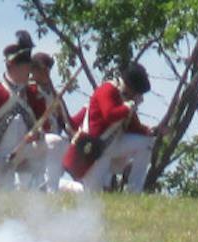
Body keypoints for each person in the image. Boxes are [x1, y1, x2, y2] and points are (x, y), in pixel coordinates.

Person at [0, 32, 60, 190]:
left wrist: (38, 133)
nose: (29, 71)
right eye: (25, 66)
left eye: (29, 66)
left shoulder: (34, 93)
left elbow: (45, 125)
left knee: (55, 142)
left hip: (25, 150)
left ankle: (49, 189)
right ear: (12, 66)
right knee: (2, 192)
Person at [61, 62, 158, 193]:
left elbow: (132, 126)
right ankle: (58, 186)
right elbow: (110, 115)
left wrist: (149, 131)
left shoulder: (126, 99)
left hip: (111, 146)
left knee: (146, 143)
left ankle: (134, 191)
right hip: (94, 148)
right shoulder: (107, 90)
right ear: (131, 88)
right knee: (88, 193)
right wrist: (128, 106)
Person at [30, 52, 76, 191]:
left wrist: (74, 136)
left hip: (53, 140)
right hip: (35, 140)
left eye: (48, 70)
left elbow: (65, 121)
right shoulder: (28, 91)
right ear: (34, 70)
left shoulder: (54, 94)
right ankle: (50, 189)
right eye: (42, 70)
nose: (46, 74)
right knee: (55, 143)